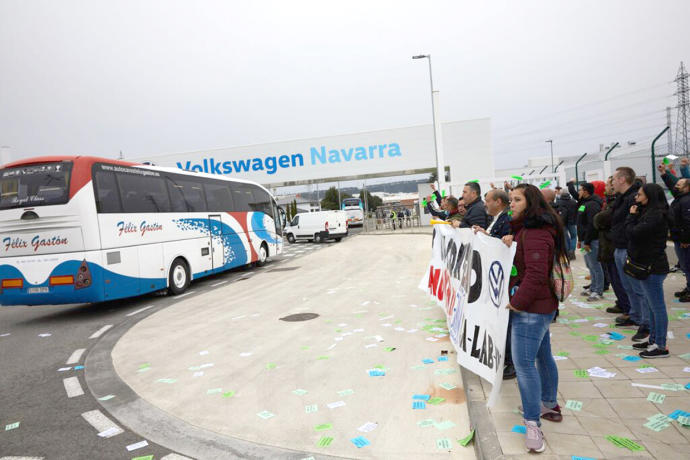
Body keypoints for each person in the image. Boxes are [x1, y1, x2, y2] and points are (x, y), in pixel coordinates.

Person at [502, 183, 565, 454]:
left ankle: (532, 424)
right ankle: (549, 403)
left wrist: (517, 303)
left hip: (531, 310)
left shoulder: (537, 232)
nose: (511, 204)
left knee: (524, 365)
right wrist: (509, 240)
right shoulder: (527, 229)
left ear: (531, 204)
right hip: (538, 307)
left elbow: (537, 274)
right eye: (511, 199)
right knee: (542, 356)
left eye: (517, 200)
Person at [473, 188, 514, 379]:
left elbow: (504, 248)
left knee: (509, 323)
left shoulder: (507, 219)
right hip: (494, 278)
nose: (485, 204)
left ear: (498, 201)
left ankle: (510, 361)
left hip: (503, 280)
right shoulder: (497, 218)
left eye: (487, 200)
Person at [625, 183, 670, 358]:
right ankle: (653, 340)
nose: (637, 198)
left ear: (649, 196)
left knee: (657, 307)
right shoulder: (648, 213)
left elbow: (634, 233)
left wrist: (631, 217)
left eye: (640, 195)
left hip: (653, 266)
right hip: (647, 264)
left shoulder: (656, 215)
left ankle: (661, 345)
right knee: (651, 306)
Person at [611, 167, 649, 340]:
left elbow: (631, 223)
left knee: (636, 287)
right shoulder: (621, 198)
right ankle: (635, 315)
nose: (611, 182)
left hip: (628, 247)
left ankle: (644, 320)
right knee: (627, 286)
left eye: (614, 179)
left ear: (622, 179)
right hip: (619, 245)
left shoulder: (632, 199)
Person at [595, 179, 632, 318]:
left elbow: (601, 219)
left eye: (610, 183)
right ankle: (622, 304)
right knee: (615, 278)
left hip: (614, 244)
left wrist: (599, 220)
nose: (607, 186)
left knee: (619, 279)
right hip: (609, 245)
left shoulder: (618, 202)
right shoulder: (612, 202)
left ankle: (627, 308)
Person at [661, 166, 690, 301]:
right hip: (679, 238)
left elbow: (687, 221)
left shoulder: (686, 200)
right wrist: (664, 173)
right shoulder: (680, 198)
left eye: (679, 185)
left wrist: (685, 239)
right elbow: (671, 184)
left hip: (685, 240)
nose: (676, 187)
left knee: (688, 265)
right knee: (685, 265)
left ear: (687, 188)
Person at [575, 182, 604, 301]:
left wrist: (586, 241)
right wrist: (580, 240)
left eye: (580, 190)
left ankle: (598, 290)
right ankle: (593, 287)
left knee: (595, 265)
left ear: (586, 191)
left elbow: (592, 225)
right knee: (589, 264)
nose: (579, 192)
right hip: (584, 240)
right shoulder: (584, 203)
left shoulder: (592, 205)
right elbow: (581, 223)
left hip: (590, 241)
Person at [555, 191, 578, 260]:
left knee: (565, 237)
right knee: (574, 236)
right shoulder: (573, 202)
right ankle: (572, 250)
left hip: (562, 222)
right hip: (572, 222)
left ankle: (567, 251)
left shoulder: (558, 202)